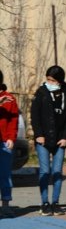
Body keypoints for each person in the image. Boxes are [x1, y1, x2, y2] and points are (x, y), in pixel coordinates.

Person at [31, 65, 66, 216]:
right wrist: (39, 134)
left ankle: (55, 202)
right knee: (45, 171)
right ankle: (44, 203)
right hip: (43, 140)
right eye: (48, 80)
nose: (49, 82)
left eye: (52, 80)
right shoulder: (41, 93)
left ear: (60, 81)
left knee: (57, 171)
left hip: (60, 140)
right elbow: (35, 116)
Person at [0, 70, 18, 218]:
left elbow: (13, 121)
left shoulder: (10, 99)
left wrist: (11, 137)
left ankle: (5, 205)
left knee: (5, 175)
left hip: (5, 143)